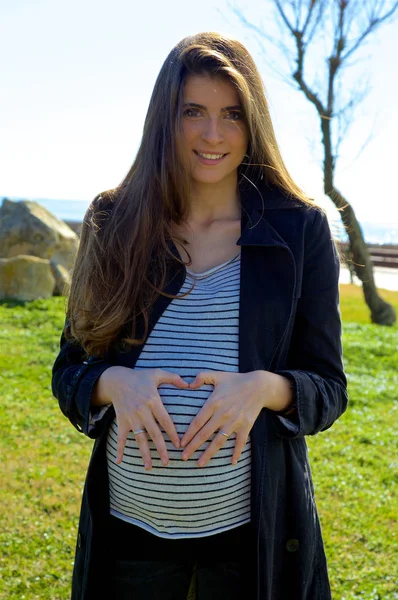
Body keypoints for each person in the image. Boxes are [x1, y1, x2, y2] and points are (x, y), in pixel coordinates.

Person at [51, 31, 348, 600]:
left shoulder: (299, 229)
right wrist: (116, 382)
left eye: (232, 114)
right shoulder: (113, 221)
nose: (213, 135)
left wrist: (263, 388)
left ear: (253, 122)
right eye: (194, 112)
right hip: (129, 545)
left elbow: (328, 389)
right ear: (166, 117)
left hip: (249, 548)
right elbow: (70, 371)